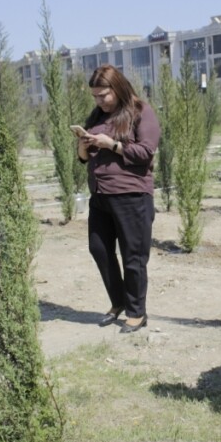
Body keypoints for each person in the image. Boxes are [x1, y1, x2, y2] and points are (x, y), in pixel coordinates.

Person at [77, 64, 160, 333]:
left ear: (118, 88)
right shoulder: (97, 115)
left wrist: (112, 144)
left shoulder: (140, 112)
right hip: (100, 196)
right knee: (98, 249)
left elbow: (146, 152)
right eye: (95, 97)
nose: (99, 101)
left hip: (132, 196)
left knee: (133, 257)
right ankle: (119, 302)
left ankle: (137, 312)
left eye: (104, 95)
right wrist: (83, 147)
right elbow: (84, 158)